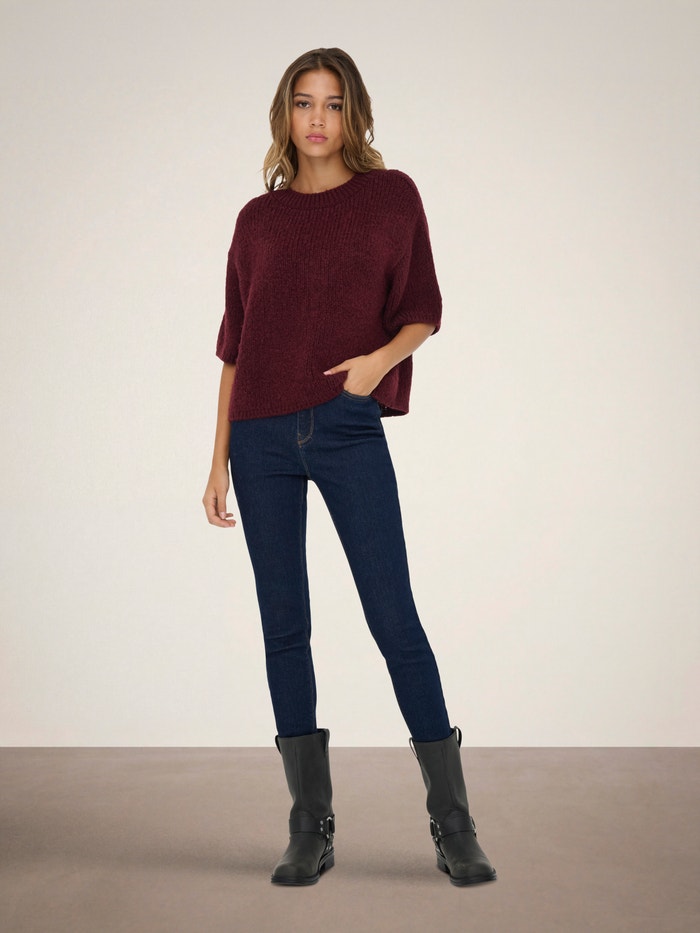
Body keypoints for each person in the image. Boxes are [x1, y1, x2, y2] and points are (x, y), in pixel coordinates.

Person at [202, 47, 496, 887]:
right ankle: (309, 825)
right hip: (258, 434)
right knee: (283, 624)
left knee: (393, 615)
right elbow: (234, 346)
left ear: (354, 114)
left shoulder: (391, 196)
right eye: (304, 102)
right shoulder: (257, 220)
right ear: (285, 114)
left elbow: (422, 309)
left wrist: (374, 366)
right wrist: (217, 459)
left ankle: (454, 821)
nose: (318, 119)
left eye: (333, 103)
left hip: (345, 426)